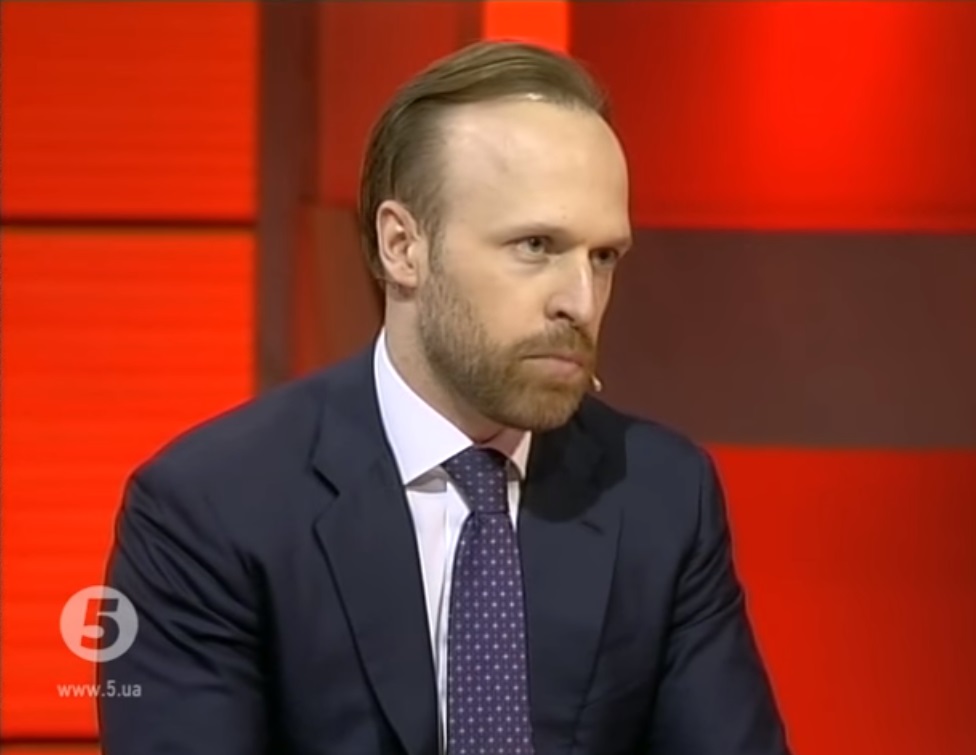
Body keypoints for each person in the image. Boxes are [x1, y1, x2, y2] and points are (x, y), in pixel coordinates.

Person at [98, 40, 791, 754]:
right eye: (535, 246)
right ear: (402, 246)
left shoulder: (660, 495)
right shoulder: (212, 507)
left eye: (603, 256)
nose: (581, 302)